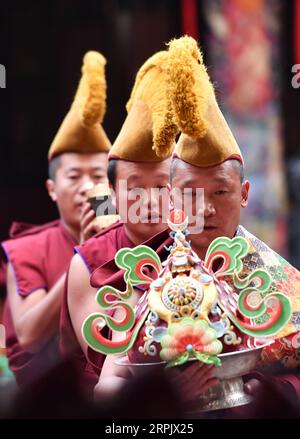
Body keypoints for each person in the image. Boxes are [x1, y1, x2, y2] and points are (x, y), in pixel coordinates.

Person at [92, 36, 300, 416]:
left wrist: (264, 391)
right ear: (171, 197)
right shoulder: (151, 271)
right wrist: (159, 392)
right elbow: (106, 389)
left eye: (220, 192)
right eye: (189, 193)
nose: (203, 208)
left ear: (244, 194)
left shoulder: (278, 281)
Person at [61, 49, 179, 397]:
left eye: (161, 186)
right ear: (111, 190)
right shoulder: (89, 263)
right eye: (135, 188)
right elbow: (109, 365)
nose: (151, 200)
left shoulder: (200, 245)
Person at [1, 50, 111, 389]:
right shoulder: (29, 248)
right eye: (74, 176)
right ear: (51, 188)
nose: (86, 187)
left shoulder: (131, 243)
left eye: (97, 175)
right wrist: (84, 255)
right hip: (52, 397)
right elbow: (29, 334)